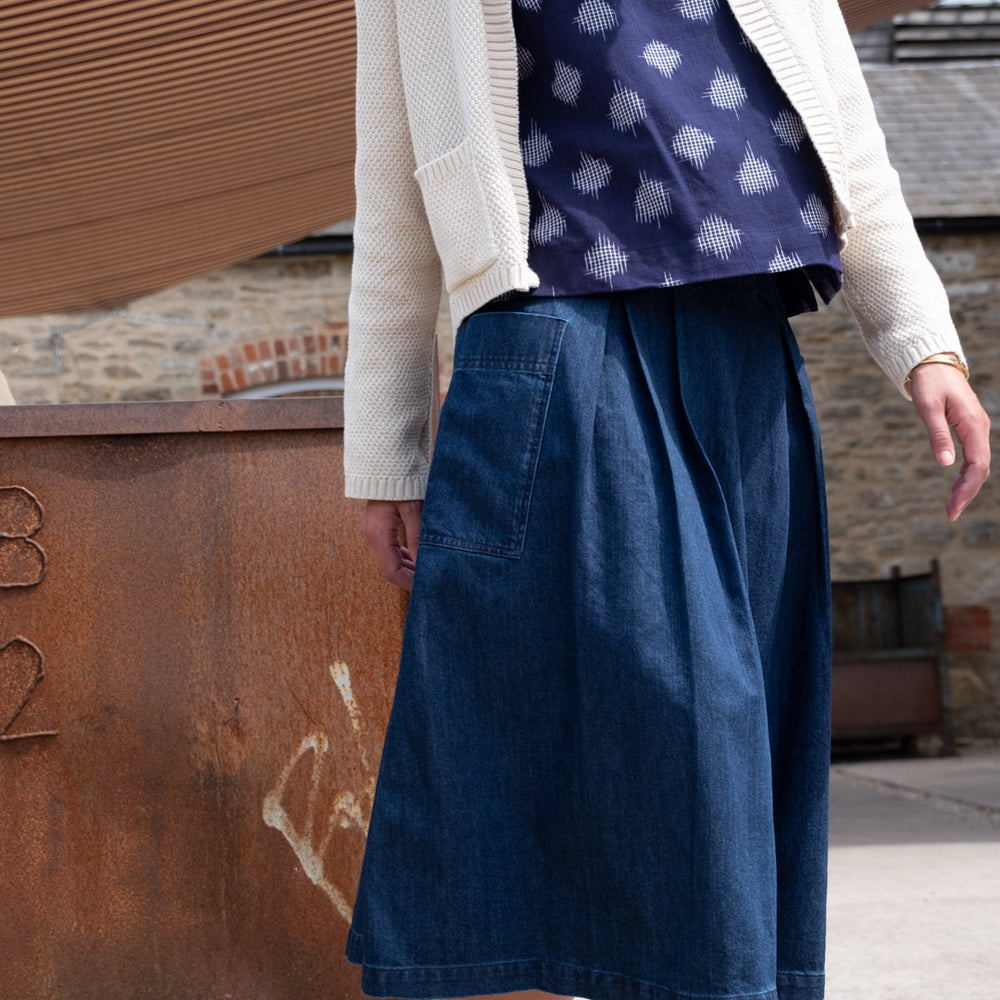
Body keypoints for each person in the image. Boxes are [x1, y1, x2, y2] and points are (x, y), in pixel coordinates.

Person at [342, 1, 991, 999]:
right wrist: (386, 451)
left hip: (750, 348)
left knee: (754, 752)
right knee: (681, 740)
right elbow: (394, 182)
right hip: (564, 339)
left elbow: (844, 128)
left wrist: (922, 340)